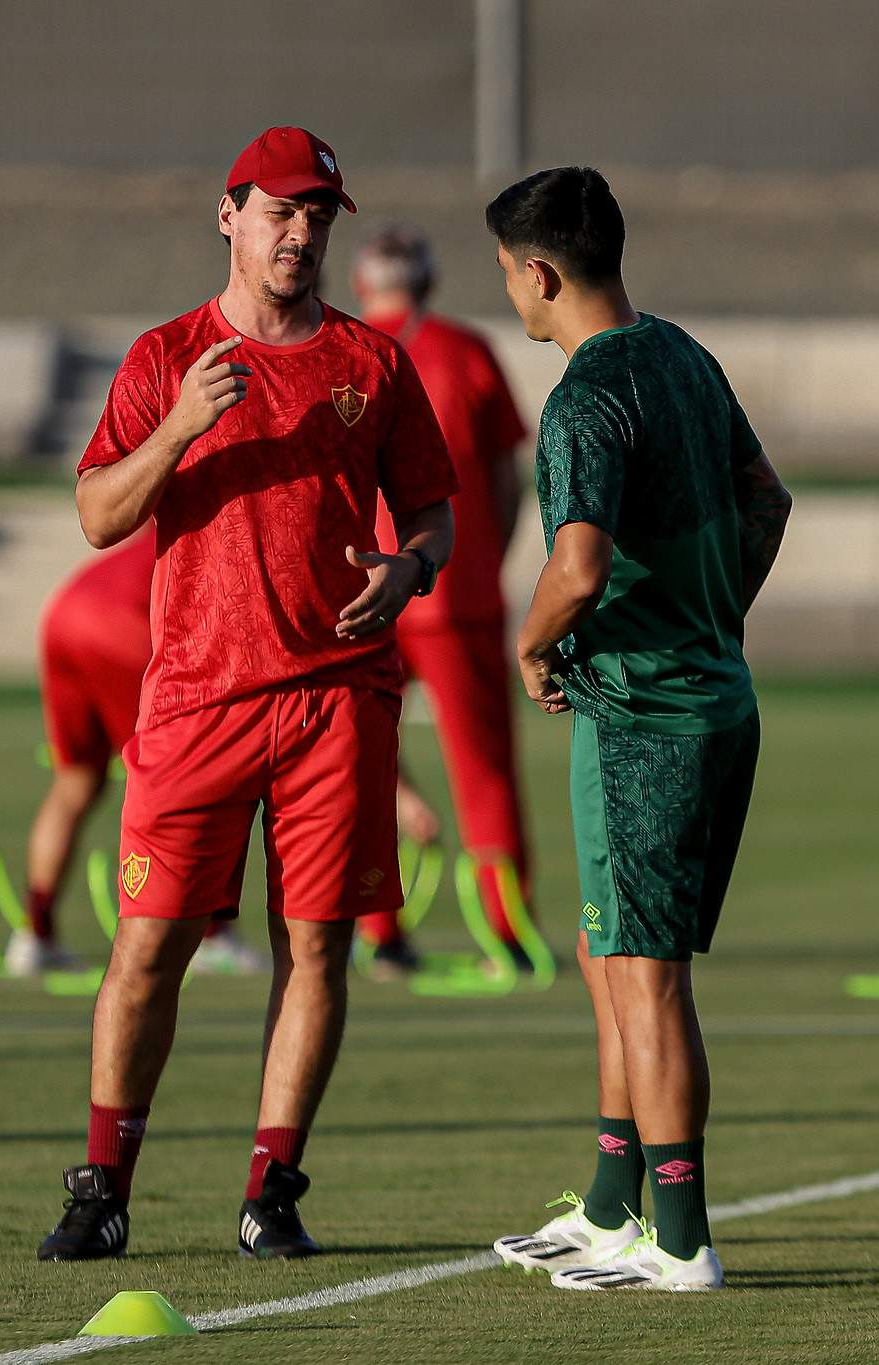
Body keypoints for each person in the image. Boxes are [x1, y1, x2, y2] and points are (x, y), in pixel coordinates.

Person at [36, 126, 457, 1262]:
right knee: (146, 948)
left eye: (319, 214)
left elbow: (434, 514)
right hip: (195, 701)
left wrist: (410, 569)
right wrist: (182, 424)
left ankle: (270, 1190)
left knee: (314, 952)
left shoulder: (371, 363)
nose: (302, 233)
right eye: (281, 211)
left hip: (336, 702)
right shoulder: (165, 353)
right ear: (227, 214)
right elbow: (95, 515)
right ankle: (102, 1185)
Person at [482, 167, 792, 1292]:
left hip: (641, 719)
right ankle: (614, 1206)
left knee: (647, 975)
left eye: (507, 278)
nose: (509, 297)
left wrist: (529, 645)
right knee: (606, 948)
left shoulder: (584, 393)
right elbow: (767, 501)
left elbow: (575, 563)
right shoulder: (682, 354)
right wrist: (709, 613)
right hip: (711, 699)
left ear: (540, 273)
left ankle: (679, 1239)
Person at [350, 225, 535, 976]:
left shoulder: (342, 352)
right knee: (484, 769)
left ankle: (377, 930)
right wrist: (486, 551)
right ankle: (507, 930)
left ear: (364, 284)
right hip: (457, 587)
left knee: (360, 760)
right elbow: (505, 480)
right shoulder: (466, 351)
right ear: (427, 283)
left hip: (365, 589)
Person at [20, 524, 268, 977]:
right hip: (118, 622)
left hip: (65, 613)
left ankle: (35, 934)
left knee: (76, 781)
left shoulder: (169, 521)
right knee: (193, 772)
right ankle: (211, 934)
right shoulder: (225, 534)